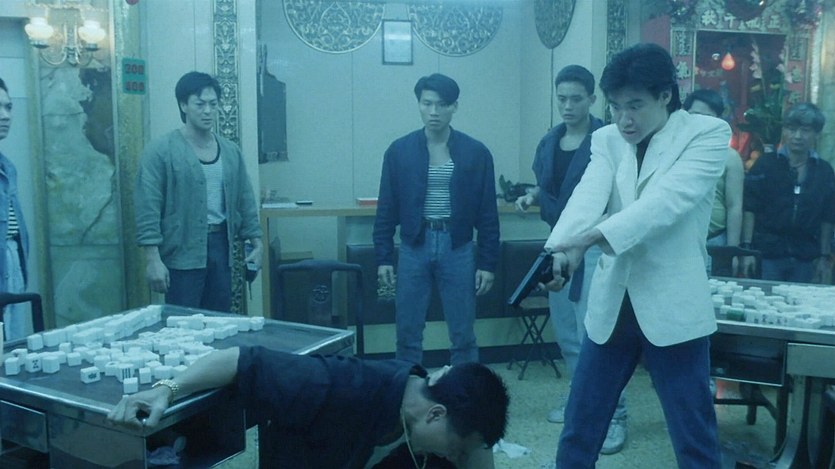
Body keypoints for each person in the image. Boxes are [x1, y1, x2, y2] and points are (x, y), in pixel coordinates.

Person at [544, 43, 729, 468]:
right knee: (580, 425)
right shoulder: (607, 139)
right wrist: (558, 251)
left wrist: (590, 239)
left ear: (665, 95)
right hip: (612, 305)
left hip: (673, 307)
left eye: (635, 106)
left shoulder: (705, 134)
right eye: (615, 106)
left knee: (693, 434)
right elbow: (586, 197)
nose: (624, 119)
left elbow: (665, 204)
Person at [106, 346, 510, 468]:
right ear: (435, 414)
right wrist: (166, 389)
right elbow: (240, 360)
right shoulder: (338, 385)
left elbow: (475, 442)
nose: (453, 456)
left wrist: (472, 446)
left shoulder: (431, 420)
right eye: (455, 448)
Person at [515, 65, 626, 454]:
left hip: (595, 246)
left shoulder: (608, 139)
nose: (567, 106)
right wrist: (532, 196)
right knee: (566, 333)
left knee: (596, 334)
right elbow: (551, 188)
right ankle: (580, 402)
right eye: (561, 98)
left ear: (592, 99)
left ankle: (614, 415)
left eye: (576, 99)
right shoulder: (550, 141)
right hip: (557, 244)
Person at [374, 73, 500, 366]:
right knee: (407, 331)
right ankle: (408, 387)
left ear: (454, 107)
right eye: (427, 103)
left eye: (442, 104)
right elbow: (386, 208)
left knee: (463, 332)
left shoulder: (476, 152)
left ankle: (464, 389)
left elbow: (487, 214)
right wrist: (383, 257)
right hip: (413, 245)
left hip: (458, 246)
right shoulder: (399, 151)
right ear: (418, 104)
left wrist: (487, 263)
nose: (434, 112)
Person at [135, 72, 263, 312]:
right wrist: (152, 258)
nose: (208, 111)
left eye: (213, 104)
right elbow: (147, 206)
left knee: (219, 319)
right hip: (181, 251)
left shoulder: (230, 151)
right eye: (200, 104)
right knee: (182, 321)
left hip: (221, 247)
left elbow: (245, 199)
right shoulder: (161, 151)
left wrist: (257, 243)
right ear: (184, 105)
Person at [741, 102, 835, 283]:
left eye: (805, 130)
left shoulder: (824, 171)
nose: (797, 136)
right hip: (767, 253)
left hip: (807, 258)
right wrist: (747, 249)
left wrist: (824, 257)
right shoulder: (765, 164)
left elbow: (828, 217)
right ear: (784, 130)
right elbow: (750, 208)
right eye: (792, 129)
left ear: (816, 134)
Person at [683, 89, 744, 273]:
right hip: (680, 241)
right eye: (694, 115)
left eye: (707, 118)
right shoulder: (674, 152)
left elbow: (734, 206)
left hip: (715, 240)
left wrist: (732, 251)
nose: (700, 122)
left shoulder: (730, 157)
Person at [0, 77, 30, 341]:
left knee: (11, 341)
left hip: (11, 261)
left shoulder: (7, 167)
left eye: (8, 107)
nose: (5, 115)